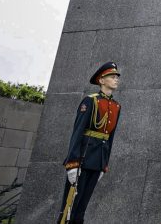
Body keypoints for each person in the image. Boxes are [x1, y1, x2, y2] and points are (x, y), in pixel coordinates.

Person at [57, 62, 122, 224]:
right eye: (112, 76)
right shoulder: (90, 101)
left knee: (82, 208)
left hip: (97, 161)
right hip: (83, 159)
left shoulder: (116, 106)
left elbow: (110, 138)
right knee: (70, 208)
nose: (116, 79)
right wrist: (72, 164)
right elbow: (78, 132)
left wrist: (104, 164)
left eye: (117, 77)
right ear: (101, 80)